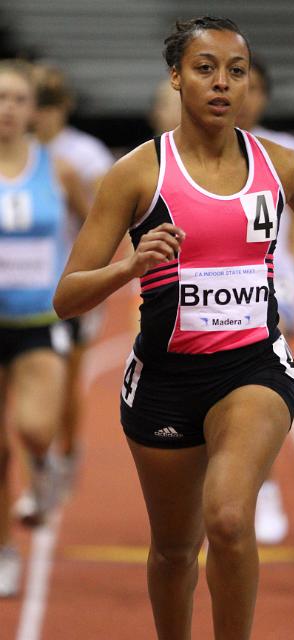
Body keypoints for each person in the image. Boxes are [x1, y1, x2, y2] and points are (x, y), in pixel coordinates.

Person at [54, 17, 294, 639]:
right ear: (176, 77)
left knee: (229, 518)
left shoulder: (282, 166)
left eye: (235, 72)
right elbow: (67, 296)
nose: (222, 84)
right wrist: (131, 265)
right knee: (172, 551)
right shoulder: (137, 174)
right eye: (205, 69)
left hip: (253, 364)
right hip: (163, 377)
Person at [0, 59, 88, 597]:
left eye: (15, 99)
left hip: (39, 321)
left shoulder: (58, 170)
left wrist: (87, 285)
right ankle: (4, 549)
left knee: (34, 427)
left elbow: (98, 227)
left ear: (33, 109)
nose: (5, 109)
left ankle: (44, 464)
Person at [14, 64, 115, 524]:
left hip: (60, 294)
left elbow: (102, 221)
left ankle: (64, 452)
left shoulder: (79, 159)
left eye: (21, 101)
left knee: (64, 385)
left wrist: (104, 274)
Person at [236, 56, 294, 544]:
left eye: (257, 88)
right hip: (210, 290)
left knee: (258, 398)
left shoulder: (286, 153)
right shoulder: (193, 154)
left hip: (275, 286)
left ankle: (264, 485)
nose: (247, 97)